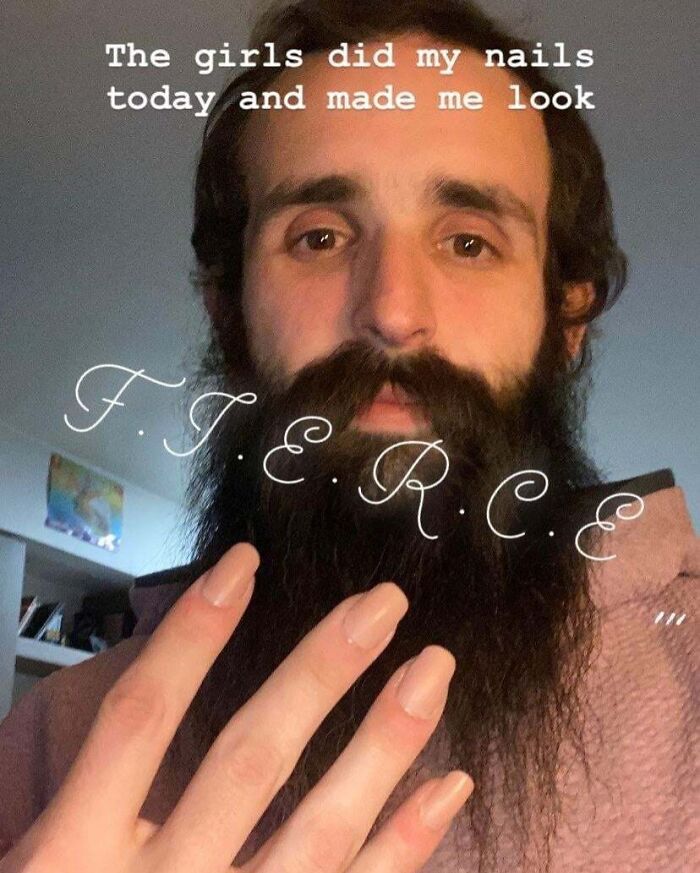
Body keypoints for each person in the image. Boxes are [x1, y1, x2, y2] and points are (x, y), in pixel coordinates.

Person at [1, 2, 697, 871]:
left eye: (470, 242)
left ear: (566, 318)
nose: (393, 312)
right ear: (227, 312)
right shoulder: (46, 743)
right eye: (320, 236)